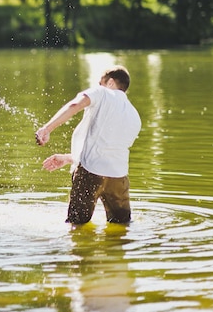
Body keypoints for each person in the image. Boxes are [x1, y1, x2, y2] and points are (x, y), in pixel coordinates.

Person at [35, 65, 141, 225]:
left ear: (110, 82)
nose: (98, 86)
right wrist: (68, 158)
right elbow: (108, 150)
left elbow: (75, 105)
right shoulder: (134, 116)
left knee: (76, 226)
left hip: (90, 175)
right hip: (119, 179)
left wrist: (47, 128)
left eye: (101, 82)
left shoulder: (102, 92)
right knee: (121, 227)